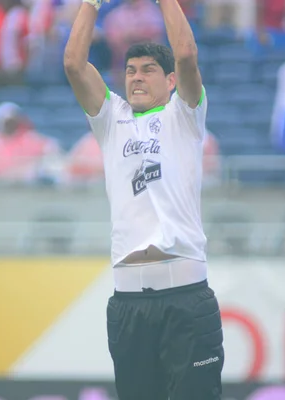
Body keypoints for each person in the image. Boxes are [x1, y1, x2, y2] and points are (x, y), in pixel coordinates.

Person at [63, 0, 224, 397]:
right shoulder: (110, 120)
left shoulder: (183, 116)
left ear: (170, 81)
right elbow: (73, 63)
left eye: (148, 70)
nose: (136, 77)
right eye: (131, 70)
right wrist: (91, 4)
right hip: (128, 302)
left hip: (186, 297)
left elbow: (186, 54)